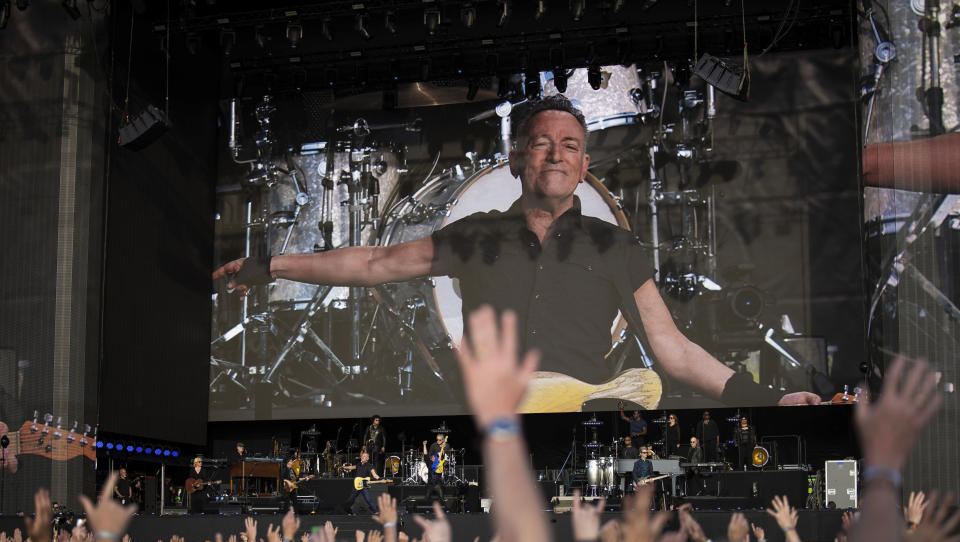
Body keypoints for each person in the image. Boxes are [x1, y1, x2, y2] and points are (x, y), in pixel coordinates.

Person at [213, 95, 819, 408]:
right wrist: (269, 266)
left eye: (570, 146)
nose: (556, 153)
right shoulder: (475, 233)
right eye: (542, 144)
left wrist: (772, 399)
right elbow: (373, 265)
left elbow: (675, 351)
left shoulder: (614, 244)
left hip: (576, 433)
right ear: (517, 159)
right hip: (496, 428)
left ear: (584, 168)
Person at [423, 436, 446, 503]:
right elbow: (425, 454)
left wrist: (442, 448)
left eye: (434, 456)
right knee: (426, 499)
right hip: (430, 484)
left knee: (442, 498)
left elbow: (442, 455)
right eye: (432, 456)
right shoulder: (429, 463)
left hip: (437, 484)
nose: (433, 457)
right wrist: (424, 445)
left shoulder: (439, 463)